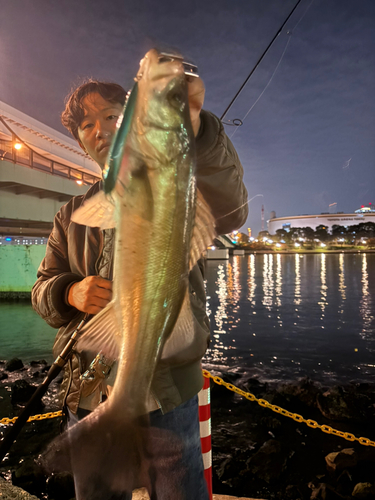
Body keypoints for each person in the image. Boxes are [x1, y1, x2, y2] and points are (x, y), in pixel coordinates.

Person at [32, 51, 248, 499]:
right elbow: (41, 290)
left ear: (130, 120)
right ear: (79, 141)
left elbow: (232, 209)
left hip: (168, 394)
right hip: (88, 390)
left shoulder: (179, 177)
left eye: (111, 115)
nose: (100, 129)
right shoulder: (70, 215)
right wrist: (68, 292)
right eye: (86, 125)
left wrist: (199, 128)